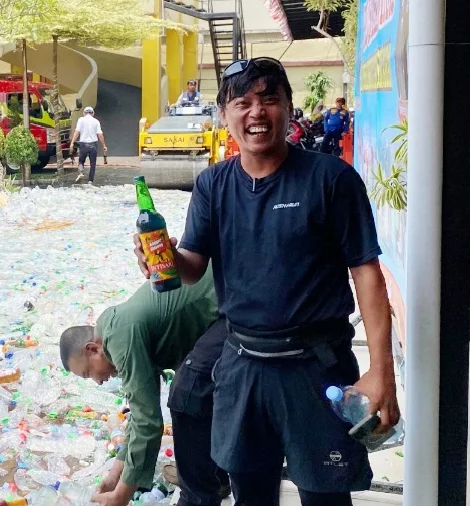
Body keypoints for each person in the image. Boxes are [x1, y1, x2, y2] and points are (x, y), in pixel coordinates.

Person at [133, 57, 400, 506]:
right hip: (243, 364)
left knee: (326, 495)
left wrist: (381, 372)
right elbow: (192, 266)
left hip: (316, 368)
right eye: (242, 103)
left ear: (289, 109)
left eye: (269, 100)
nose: (256, 112)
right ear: (224, 116)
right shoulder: (213, 185)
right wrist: (162, 259)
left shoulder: (330, 179)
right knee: (250, 492)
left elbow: (367, 275)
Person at [59, 274, 230, 506]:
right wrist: (115, 474)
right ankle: (215, 479)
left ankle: (198, 498)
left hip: (230, 303)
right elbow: (140, 410)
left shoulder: (119, 339)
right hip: (223, 303)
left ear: (92, 349)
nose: (98, 382)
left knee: (185, 398)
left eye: (89, 373)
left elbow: (147, 423)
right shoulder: (111, 331)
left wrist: (121, 496)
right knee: (194, 390)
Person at [70, 106, 108, 184]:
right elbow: (100, 135)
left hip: (83, 144)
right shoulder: (96, 121)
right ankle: (90, 181)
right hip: (93, 145)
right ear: (93, 113)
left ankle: (81, 173)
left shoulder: (81, 120)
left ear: (84, 113)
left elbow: (77, 132)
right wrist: (104, 145)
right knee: (92, 164)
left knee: (81, 161)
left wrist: (72, 142)